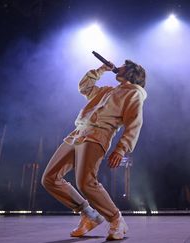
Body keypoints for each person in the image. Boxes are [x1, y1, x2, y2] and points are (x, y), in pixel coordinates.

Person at [41, 59, 147, 240]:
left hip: (98, 135)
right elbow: (84, 87)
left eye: (122, 66)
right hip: (77, 133)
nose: (117, 67)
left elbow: (134, 124)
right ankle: (89, 214)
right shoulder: (107, 90)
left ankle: (116, 219)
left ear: (130, 72)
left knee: (85, 182)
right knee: (49, 178)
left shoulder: (134, 94)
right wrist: (100, 70)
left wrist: (121, 149)